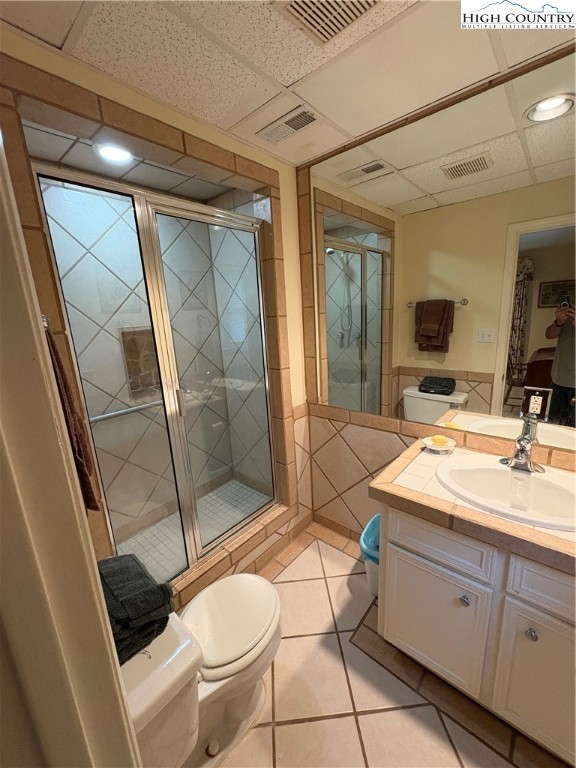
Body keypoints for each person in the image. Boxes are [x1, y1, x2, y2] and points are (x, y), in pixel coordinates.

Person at [545, 300, 575, 426]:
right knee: (553, 425)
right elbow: (548, 335)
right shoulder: (567, 316)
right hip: (558, 379)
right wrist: (558, 322)